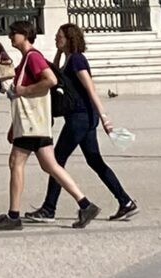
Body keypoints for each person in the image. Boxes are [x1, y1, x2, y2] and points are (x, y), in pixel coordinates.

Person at [0, 20, 99, 232]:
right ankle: (85, 205)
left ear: (25, 34)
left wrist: (23, 91)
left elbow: (49, 80)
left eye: (14, 33)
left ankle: (13, 216)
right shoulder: (27, 59)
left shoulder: (33, 57)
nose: (10, 37)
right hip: (34, 122)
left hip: (33, 123)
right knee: (50, 165)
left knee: (16, 162)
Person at [26, 24, 137, 224]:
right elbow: (58, 73)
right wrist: (60, 51)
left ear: (69, 38)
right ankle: (125, 201)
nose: (55, 39)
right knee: (95, 161)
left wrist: (105, 118)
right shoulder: (70, 59)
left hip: (81, 118)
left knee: (56, 161)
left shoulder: (77, 60)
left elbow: (90, 89)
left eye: (59, 37)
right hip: (81, 118)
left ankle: (49, 209)